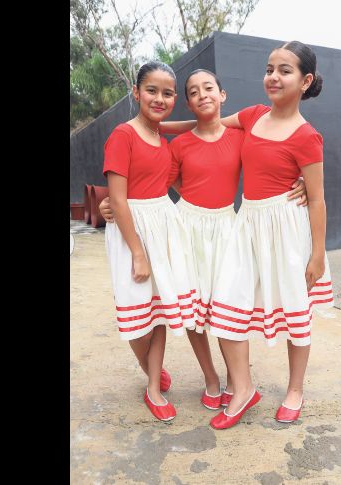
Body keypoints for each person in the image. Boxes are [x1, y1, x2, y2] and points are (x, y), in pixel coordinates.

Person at [99, 68, 308, 413]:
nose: (202, 95)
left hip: (229, 227)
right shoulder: (175, 144)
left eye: (208, 88)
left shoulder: (241, 135)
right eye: (193, 92)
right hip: (185, 227)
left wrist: (301, 178)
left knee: (227, 307)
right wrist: (111, 204)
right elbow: (150, 183)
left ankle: (235, 381)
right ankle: (210, 378)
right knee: (192, 309)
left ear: (222, 94)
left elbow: (277, 148)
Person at [161, 41, 334, 429]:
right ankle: (243, 389)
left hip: (288, 229)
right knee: (225, 307)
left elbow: (318, 200)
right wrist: (150, 127)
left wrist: (318, 254)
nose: (273, 76)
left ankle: (295, 390)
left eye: (284, 70)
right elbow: (207, 124)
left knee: (295, 310)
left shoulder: (308, 137)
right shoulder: (254, 116)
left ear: (305, 81)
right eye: (270, 68)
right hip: (247, 226)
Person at [102, 61, 198, 422]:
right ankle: (150, 367)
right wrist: (138, 253)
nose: (159, 98)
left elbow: (190, 124)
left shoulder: (161, 136)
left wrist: (214, 120)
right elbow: (118, 198)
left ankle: (153, 388)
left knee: (158, 312)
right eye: (152, 91)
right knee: (134, 312)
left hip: (164, 226)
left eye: (168, 93)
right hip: (132, 232)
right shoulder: (122, 135)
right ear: (136, 92)